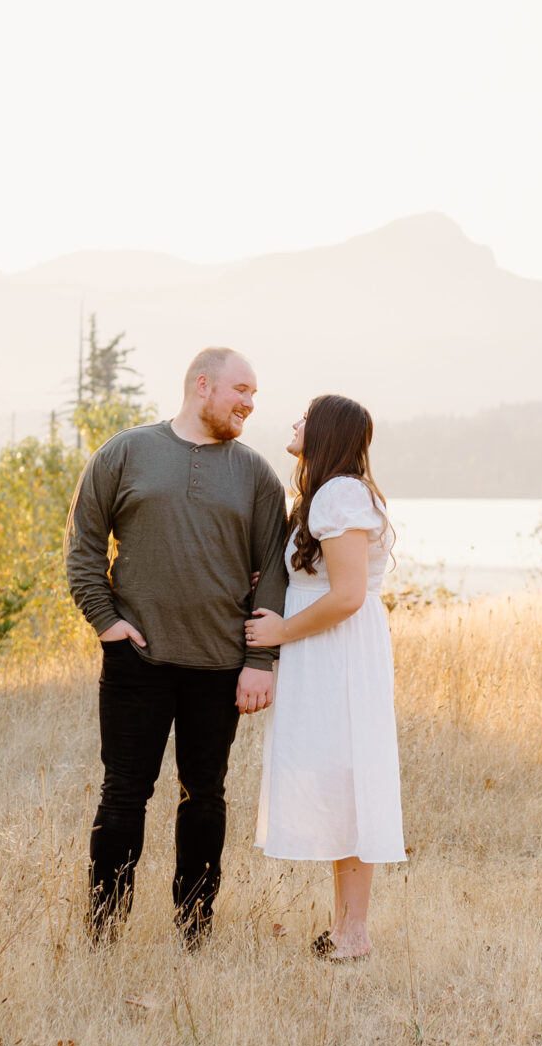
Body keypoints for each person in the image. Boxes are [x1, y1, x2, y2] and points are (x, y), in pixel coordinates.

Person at [67, 347, 289, 946]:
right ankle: (104, 932)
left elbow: (273, 571)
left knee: (205, 798)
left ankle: (194, 930)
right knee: (123, 794)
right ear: (202, 385)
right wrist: (107, 624)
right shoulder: (126, 452)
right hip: (136, 662)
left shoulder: (257, 475)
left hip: (219, 668)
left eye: (254, 396)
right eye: (241, 389)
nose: (248, 403)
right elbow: (83, 544)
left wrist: (259, 661)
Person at [247, 394, 404, 960]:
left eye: (305, 417)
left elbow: (347, 594)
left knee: (349, 779)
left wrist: (280, 634)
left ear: (328, 431)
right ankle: (344, 928)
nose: (294, 423)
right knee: (341, 780)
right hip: (329, 651)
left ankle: (354, 932)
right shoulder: (328, 493)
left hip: (336, 652)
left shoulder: (338, 494)